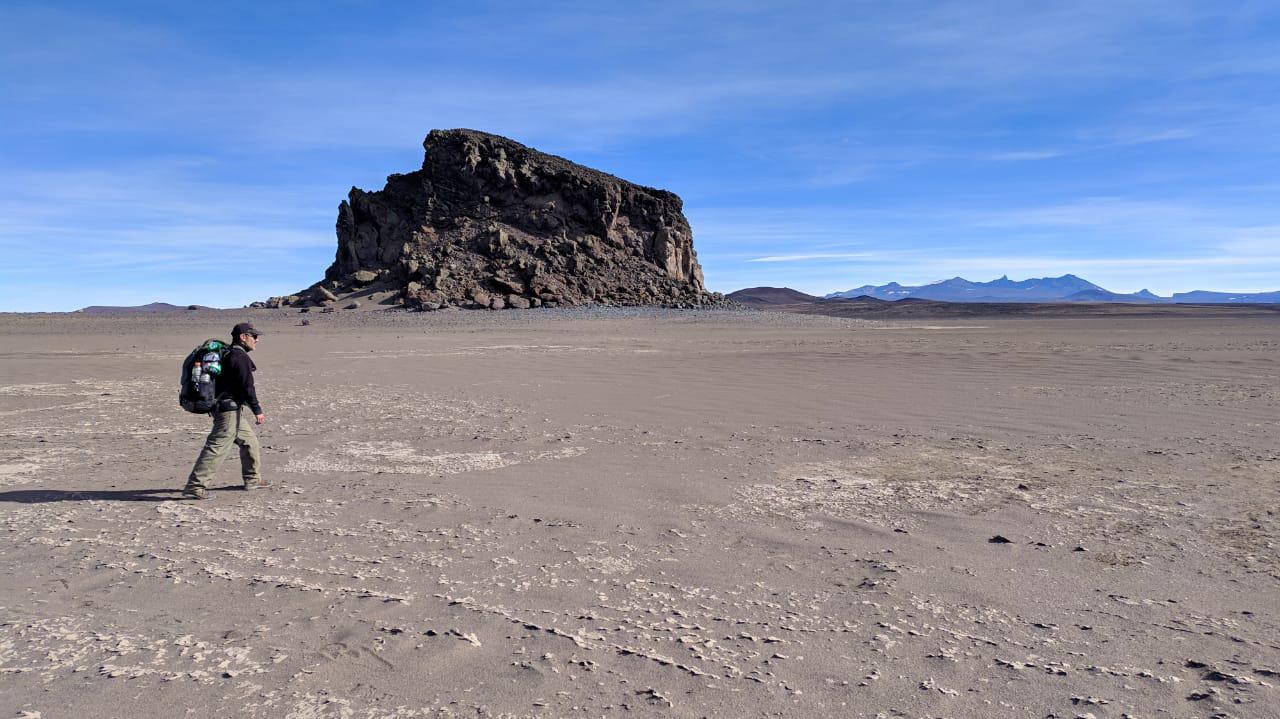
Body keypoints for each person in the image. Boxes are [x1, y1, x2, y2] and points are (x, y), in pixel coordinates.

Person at [182, 322, 267, 499]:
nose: (257, 340)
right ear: (243, 337)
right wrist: (257, 410)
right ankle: (195, 486)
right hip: (227, 410)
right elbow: (247, 387)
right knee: (217, 446)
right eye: (254, 336)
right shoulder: (238, 357)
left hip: (229, 408)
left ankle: (253, 479)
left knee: (249, 441)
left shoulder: (228, 354)